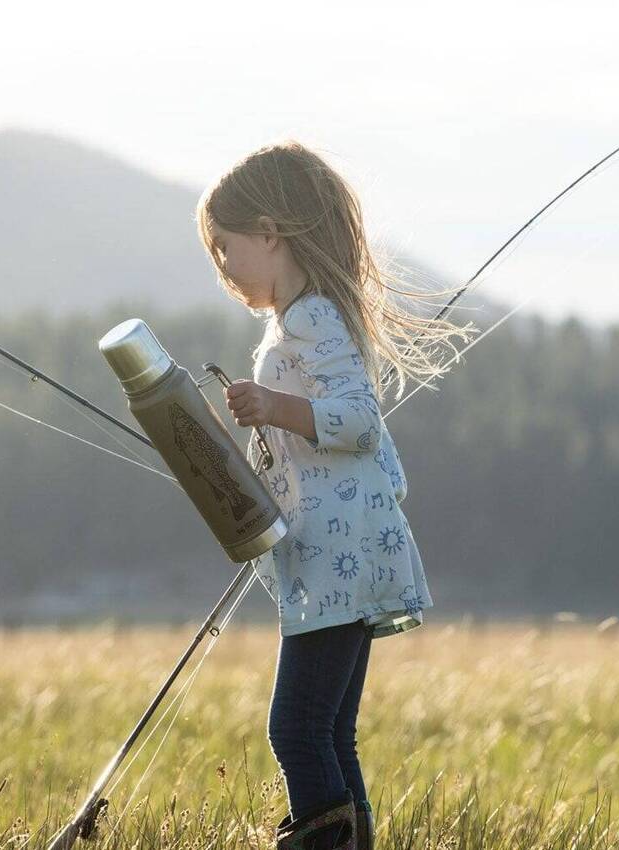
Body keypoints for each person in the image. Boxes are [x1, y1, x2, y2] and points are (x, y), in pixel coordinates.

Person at [195, 140, 476, 850]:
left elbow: (357, 421)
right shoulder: (300, 322)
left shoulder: (311, 318)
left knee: (294, 729)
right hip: (339, 556)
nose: (223, 270)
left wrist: (269, 406)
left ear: (269, 233)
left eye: (226, 249)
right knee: (329, 733)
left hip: (336, 560)